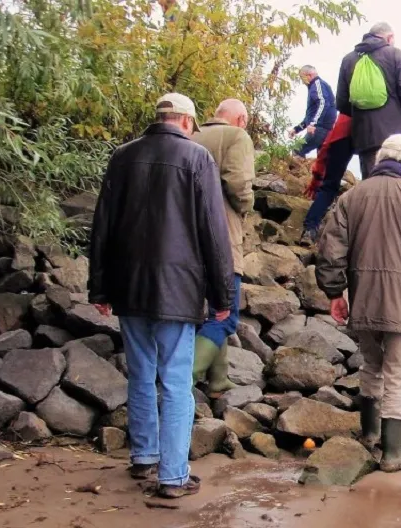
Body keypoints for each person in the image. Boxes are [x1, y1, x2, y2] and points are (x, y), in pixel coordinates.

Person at [88, 93, 235, 497]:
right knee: (174, 381)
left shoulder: (122, 156)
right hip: (178, 289)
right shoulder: (197, 159)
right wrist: (223, 296)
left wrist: (99, 287)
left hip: (129, 287)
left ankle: (144, 457)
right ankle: (173, 477)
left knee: (140, 373)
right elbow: (214, 233)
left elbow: (102, 225)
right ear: (187, 122)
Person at [315, 134, 401, 473]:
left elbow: (330, 251)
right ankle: (392, 455)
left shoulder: (351, 198)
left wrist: (335, 293)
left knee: (371, 366)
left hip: (364, 301)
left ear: (380, 160)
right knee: (398, 376)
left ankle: (369, 434)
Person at [191, 99, 255, 396]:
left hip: (189, 241)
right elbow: (238, 183)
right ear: (241, 119)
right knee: (226, 315)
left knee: (209, 312)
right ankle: (184, 379)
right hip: (223, 238)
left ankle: (218, 378)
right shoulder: (236, 136)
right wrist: (246, 207)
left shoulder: (190, 135)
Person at [336, 22, 401, 176]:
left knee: (371, 181)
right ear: (389, 38)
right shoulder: (395, 55)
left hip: (365, 137)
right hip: (397, 139)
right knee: (400, 182)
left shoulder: (348, 60)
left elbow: (342, 102)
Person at [300, 114, 354, 245]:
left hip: (341, 137)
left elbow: (326, 148)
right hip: (373, 135)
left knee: (328, 188)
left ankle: (309, 230)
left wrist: (317, 179)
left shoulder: (345, 113)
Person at [289, 65, 337, 158]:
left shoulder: (317, 85)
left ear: (309, 75)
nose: (302, 82)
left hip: (320, 129)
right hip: (323, 128)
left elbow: (323, 103)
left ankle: (299, 172)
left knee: (297, 149)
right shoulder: (317, 86)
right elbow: (311, 115)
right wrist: (296, 129)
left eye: (302, 78)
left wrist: (313, 124)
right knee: (322, 161)